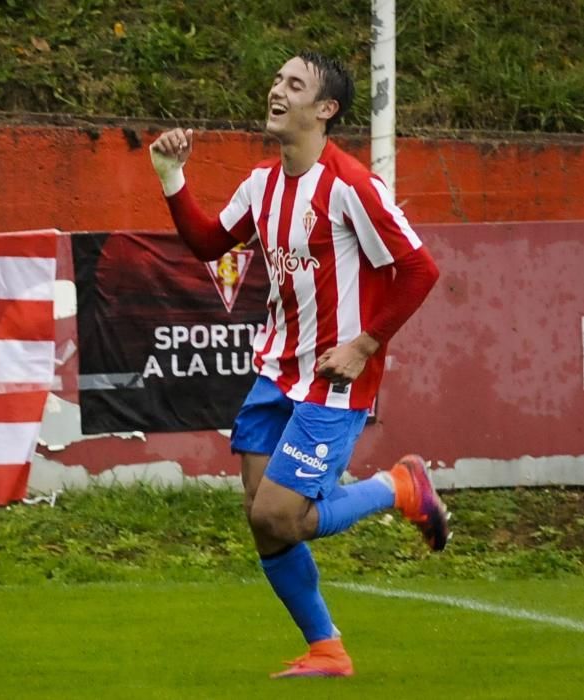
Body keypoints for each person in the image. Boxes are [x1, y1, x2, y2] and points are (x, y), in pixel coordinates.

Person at [148, 50, 448, 679]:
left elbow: (420, 270)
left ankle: (396, 487)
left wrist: (365, 344)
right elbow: (209, 243)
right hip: (276, 372)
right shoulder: (262, 184)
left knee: (278, 513)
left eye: (294, 83)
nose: (275, 89)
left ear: (325, 109)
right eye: (276, 77)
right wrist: (171, 175)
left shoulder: (351, 187)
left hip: (335, 384)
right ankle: (327, 649)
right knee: (265, 523)